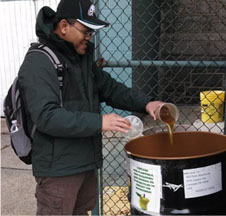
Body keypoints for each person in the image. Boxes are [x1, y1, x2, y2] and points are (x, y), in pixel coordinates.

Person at [18, 0, 165, 215]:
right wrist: (100, 122)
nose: (89, 37)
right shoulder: (39, 62)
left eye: (92, 32)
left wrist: (146, 103)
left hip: (85, 163)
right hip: (59, 170)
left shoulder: (81, 60)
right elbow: (47, 117)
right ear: (64, 27)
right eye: (86, 31)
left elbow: (111, 89)